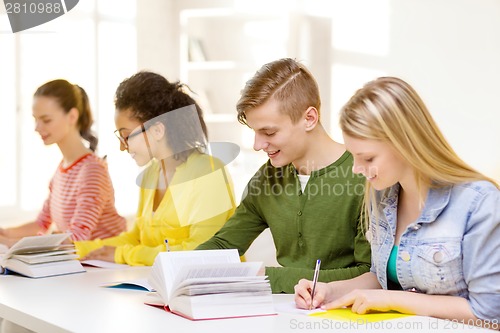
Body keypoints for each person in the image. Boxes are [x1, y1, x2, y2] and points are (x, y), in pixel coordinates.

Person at [294, 76, 500, 325]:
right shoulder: (381, 195)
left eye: (368, 158)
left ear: (405, 143)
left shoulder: (479, 202)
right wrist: (329, 290)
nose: (356, 169)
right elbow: (383, 278)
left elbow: (488, 313)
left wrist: (393, 300)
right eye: (354, 157)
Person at [197, 58, 371, 293]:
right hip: (282, 312)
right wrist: (180, 267)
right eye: (255, 131)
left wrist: (267, 277)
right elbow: (224, 244)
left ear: (309, 118)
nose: (258, 144)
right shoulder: (267, 178)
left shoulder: (364, 177)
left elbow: (367, 274)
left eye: (268, 132)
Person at [75, 71, 236, 266]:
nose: (122, 147)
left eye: (126, 137)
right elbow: (136, 238)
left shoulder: (207, 171)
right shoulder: (152, 173)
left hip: (210, 292)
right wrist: (75, 249)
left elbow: (201, 251)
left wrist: (125, 255)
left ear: (157, 130)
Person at [0, 79, 126, 247]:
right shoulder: (62, 169)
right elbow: (41, 223)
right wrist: (5, 233)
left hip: (102, 267)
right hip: (81, 267)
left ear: (72, 116)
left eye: (46, 120)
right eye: (35, 119)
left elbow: (76, 239)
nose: (37, 127)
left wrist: (9, 243)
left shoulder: (92, 171)